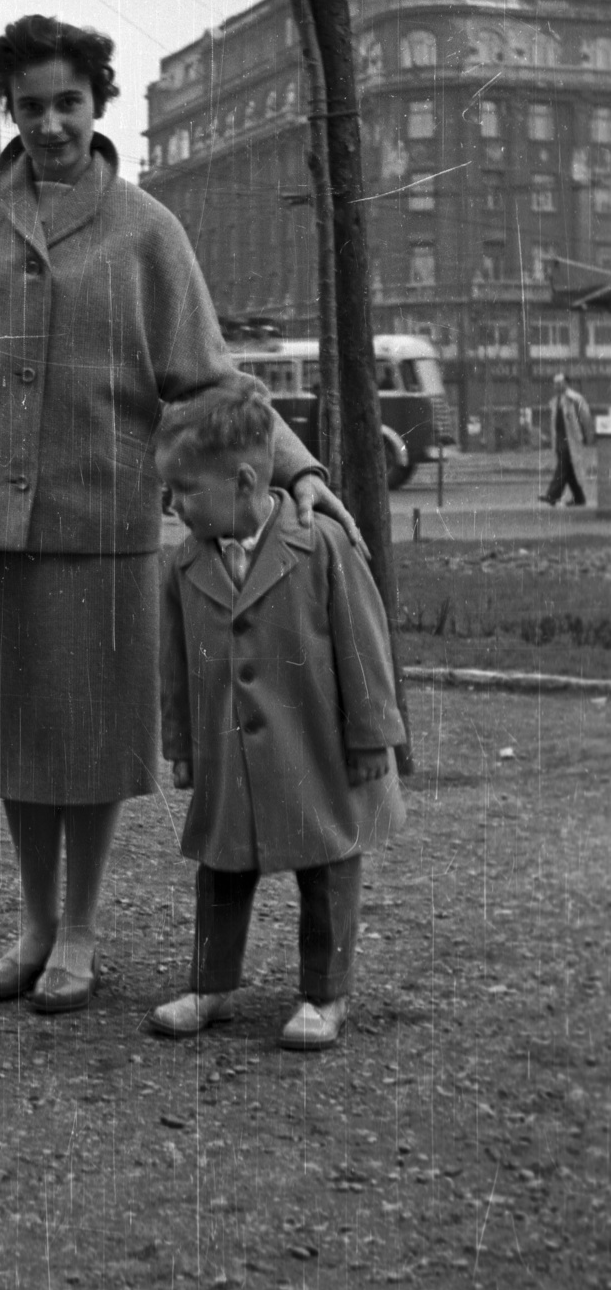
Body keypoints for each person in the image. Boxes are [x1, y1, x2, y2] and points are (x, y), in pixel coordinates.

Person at [0, 14, 360, 1015]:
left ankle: (80, 930)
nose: (49, 124)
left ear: (97, 101)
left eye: (68, 102)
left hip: (103, 530)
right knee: (20, 743)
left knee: (92, 742)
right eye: (29, 106)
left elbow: (209, 380)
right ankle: (31, 925)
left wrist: (296, 468)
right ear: (8, 112)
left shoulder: (147, 230)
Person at [151, 380, 407, 1047]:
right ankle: (210, 984)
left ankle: (325, 994)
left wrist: (373, 736)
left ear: (242, 481)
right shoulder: (184, 564)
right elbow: (175, 665)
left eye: (183, 489)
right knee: (220, 867)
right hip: (228, 754)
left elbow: (364, 645)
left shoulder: (322, 544)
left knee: (328, 867)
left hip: (314, 748)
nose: (170, 504)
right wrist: (181, 744)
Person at [539, 373, 593, 507]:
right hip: (559, 442)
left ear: (566, 383)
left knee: (563, 468)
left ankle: (552, 495)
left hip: (571, 441)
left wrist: (588, 435)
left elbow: (585, 417)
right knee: (569, 471)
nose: (556, 386)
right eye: (555, 383)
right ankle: (579, 498)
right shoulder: (555, 401)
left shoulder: (574, 399)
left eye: (559, 383)